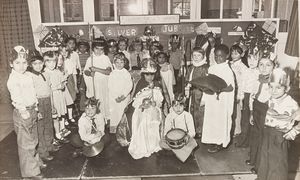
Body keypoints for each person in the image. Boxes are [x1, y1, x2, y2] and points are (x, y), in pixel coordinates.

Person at [7, 46, 45, 179]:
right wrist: (23, 111)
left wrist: (35, 107)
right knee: (26, 144)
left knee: (34, 140)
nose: (22, 66)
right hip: (22, 112)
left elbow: (32, 93)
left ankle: (35, 163)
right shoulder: (13, 79)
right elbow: (16, 98)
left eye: (24, 63)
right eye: (17, 63)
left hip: (31, 109)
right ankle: (30, 173)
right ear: (11, 63)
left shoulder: (27, 76)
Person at [257, 68, 300, 180]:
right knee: (265, 160)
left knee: (278, 164)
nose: (273, 90)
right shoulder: (271, 98)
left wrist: (293, 132)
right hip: (267, 134)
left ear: (287, 88)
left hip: (280, 136)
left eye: (278, 87)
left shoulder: (291, 103)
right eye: (271, 87)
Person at [201, 44, 235, 153]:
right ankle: (212, 139)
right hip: (212, 99)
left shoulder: (228, 71)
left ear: (227, 56)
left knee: (220, 121)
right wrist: (205, 97)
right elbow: (208, 84)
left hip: (222, 101)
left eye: (220, 56)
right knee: (211, 120)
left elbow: (231, 88)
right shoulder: (212, 68)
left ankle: (220, 142)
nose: (218, 59)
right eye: (216, 56)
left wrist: (220, 89)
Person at [127, 58, 164, 159]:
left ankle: (153, 144)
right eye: (147, 74)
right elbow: (136, 101)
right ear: (143, 74)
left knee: (154, 120)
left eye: (152, 74)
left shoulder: (157, 84)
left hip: (153, 108)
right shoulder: (141, 84)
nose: (150, 77)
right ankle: (143, 144)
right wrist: (141, 105)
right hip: (142, 110)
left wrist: (155, 102)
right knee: (143, 120)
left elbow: (159, 100)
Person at [29, 50, 58, 162]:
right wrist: (36, 110)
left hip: (47, 101)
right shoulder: (30, 76)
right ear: (30, 65)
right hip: (38, 102)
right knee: (40, 129)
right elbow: (32, 94)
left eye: (40, 63)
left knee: (48, 125)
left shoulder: (46, 73)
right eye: (35, 64)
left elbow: (49, 90)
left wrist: (53, 105)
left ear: (43, 63)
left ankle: (49, 146)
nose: (38, 66)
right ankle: (43, 152)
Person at [247, 57, 275, 174]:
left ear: (274, 67)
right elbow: (252, 97)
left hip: (266, 111)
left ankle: (259, 166)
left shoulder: (274, 83)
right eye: (261, 65)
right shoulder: (257, 80)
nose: (264, 68)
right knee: (255, 136)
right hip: (257, 109)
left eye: (268, 65)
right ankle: (253, 159)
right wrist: (252, 113)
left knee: (263, 139)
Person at [160, 93, 198, 162]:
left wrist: (188, 136)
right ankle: (181, 153)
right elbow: (166, 130)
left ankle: (177, 153)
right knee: (161, 143)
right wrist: (168, 138)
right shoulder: (169, 116)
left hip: (184, 139)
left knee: (193, 142)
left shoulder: (188, 115)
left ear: (184, 106)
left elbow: (192, 131)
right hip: (173, 140)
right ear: (172, 106)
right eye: (175, 106)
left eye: (181, 105)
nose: (178, 108)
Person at [43, 51, 71, 143]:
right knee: (55, 116)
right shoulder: (45, 73)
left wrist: (62, 84)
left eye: (53, 62)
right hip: (53, 96)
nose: (51, 64)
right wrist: (58, 87)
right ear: (44, 62)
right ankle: (57, 134)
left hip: (60, 95)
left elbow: (62, 81)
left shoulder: (57, 71)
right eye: (48, 62)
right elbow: (48, 88)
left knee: (61, 114)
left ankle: (62, 130)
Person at [84, 38, 112, 120]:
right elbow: (85, 71)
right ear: (93, 48)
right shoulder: (90, 59)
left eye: (101, 49)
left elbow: (108, 72)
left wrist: (96, 69)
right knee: (95, 101)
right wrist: (90, 73)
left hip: (104, 84)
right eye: (97, 49)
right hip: (94, 84)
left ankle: (106, 119)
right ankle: (96, 119)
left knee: (104, 101)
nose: (99, 51)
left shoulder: (105, 58)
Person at [236, 53, 260, 147]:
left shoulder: (259, 72)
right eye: (249, 60)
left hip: (255, 97)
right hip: (246, 96)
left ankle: (252, 141)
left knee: (253, 119)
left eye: (254, 60)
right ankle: (243, 141)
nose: (252, 62)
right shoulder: (246, 71)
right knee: (245, 119)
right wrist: (241, 97)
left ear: (258, 60)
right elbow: (242, 84)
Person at [185, 47, 208, 139]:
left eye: (199, 55)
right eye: (194, 55)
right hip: (192, 92)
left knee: (200, 112)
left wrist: (205, 97)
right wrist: (187, 88)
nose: (196, 57)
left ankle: (200, 130)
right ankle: (193, 128)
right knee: (192, 110)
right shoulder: (191, 67)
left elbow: (206, 83)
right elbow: (187, 79)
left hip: (201, 92)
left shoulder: (205, 68)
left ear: (203, 56)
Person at [108, 53, 133, 133]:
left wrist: (123, 96)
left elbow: (129, 85)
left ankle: (123, 130)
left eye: (121, 62)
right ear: (114, 63)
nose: (119, 64)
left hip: (124, 97)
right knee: (115, 112)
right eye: (117, 62)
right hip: (114, 98)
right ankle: (114, 129)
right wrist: (116, 96)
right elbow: (110, 86)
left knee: (123, 112)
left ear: (124, 63)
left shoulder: (126, 73)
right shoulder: (112, 74)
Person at [230, 44, 248, 137]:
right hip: (229, 91)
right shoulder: (229, 64)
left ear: (242, 55)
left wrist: (240, 96)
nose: (233, 55)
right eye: (232, 53)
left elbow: (243, 83)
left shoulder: (243, 67)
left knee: (236, 113)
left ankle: (236, 130)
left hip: (237, 92)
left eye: (236, 54)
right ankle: (230, 129)